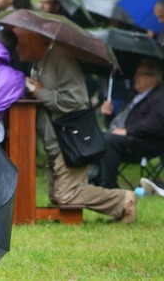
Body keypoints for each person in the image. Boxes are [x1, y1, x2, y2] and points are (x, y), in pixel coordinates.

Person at [14, 26, 137, 223]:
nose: (16, 46)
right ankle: (119, 202)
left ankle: (122, 199)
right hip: (57, 140)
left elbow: (76, 100)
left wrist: (40, 92)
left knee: (66, 196)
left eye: (19, 40)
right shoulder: (39, 62)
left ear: (33, 40)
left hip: (70, 140)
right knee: (57, 197)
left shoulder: (60, 57)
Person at [94, 59, 164, 189]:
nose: (135, 77)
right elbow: (118, 124)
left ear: (154, 77)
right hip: (123, 138)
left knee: (108, 140)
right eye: (136, 73)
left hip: (143, 142)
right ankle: (91, 180)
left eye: (141, 74)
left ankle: (107, 186)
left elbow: (157, 123)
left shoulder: (160, 97)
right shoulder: (134, 95)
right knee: (92, 137)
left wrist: (128, 131)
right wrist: (108, 115)